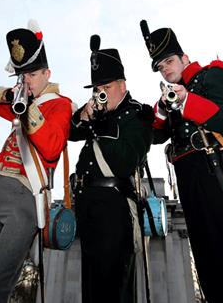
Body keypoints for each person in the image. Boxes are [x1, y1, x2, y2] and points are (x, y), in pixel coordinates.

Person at [139, 21, 223, 303]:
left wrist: (187, 102)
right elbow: (154, 136)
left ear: (184, 58)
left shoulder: (212, 75)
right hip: (189, 178)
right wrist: (161, 110)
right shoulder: (173, 94)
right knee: (208, 262)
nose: (166, 69)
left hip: (220, 169)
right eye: (160, 67)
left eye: (170, 61)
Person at [0, 20, 72, 302]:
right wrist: (11, 95)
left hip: (26, 196)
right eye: (22, 75)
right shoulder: (20, 100)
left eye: (32, 74)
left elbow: (52, 148)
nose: (26, 80)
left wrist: (28, 110)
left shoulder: (59, 104)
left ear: (47, 73)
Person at [69, 34, 153, 303]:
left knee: (113, 287)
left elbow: (127, 160)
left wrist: (103, 126)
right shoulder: (97, 112)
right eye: (95, 88)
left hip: (114, 207)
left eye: (105, 86)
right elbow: (69, 132)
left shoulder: (138, 114)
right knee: (91, 289)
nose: (99, 92)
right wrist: (86, 115)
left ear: (122, 85)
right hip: (87, 205)